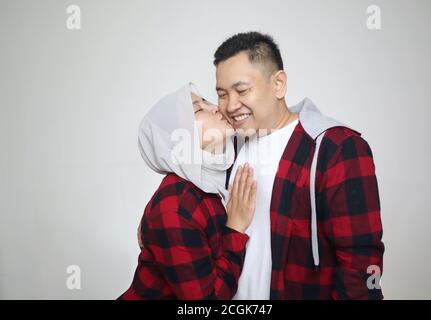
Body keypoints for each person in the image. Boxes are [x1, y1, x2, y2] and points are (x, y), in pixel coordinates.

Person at [214, 32, 384, 299]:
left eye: (242, 90)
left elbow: (360, 263)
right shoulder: (227, 149)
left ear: (279, 83)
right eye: (222, 94)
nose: (231, 105)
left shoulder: (336, 148)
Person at [119, 83, 257, 299]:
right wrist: (236, 227)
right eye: (198, 109)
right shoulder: (175, 207)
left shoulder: (218, 175)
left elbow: (274, 117)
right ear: (178, 137)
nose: (215, 108)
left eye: (208, 101)